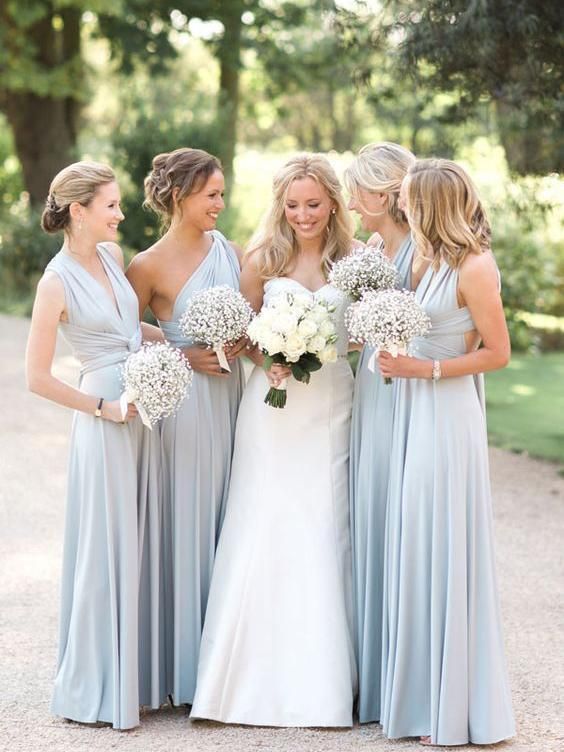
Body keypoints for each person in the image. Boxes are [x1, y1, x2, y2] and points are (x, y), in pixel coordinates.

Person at [190, 153, 358, 727]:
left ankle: (324, 686)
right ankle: (239, 685)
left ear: (332, 201)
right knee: (265, 518)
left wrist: (326, 348)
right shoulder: (261, 258)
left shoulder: (356, 261)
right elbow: (242, 332)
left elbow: (361, 335)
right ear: (279, 206)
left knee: (322, 523)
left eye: (313, 204)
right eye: (292, 205)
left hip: (331, 406)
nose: (303, 215)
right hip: (273, 407)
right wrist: (273, 360)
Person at [377, 158, 516, 745]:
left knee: (442, 535)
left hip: (447, 409)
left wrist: (422, 367)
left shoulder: (475, 266)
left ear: (430, 202)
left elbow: (498, 353)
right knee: (417, 536)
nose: (400, 205)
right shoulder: (430, 258)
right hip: (417, 406)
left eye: (407, 197)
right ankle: (421, 696)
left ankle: (455, 701)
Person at [25, 161, 160, 729]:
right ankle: (94, 689)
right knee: (105, 549)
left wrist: (188, 342)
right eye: (111, 205)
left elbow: (133, 329)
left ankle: (134, 677)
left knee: (138, 540)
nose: (121, 214)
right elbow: (37, 378)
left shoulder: (110, 258)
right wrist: (104, 408)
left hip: (143, 407)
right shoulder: (55, 281)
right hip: (105, 415)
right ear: (78, 211)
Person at [126, 147, 245, 708]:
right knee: (189, 518)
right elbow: (121, 330)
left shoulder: (231, 251)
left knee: (232, 515)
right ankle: (181, 667)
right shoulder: (145, 265)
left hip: (232, 398)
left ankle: (225, 664)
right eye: (212, 194)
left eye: (222, 193)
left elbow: (253, 318)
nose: (221, 204)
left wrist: (240, 341)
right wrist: (179, 348)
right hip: (184, 406)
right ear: (179, 196)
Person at [343, 141, 416, 724]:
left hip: (403, 393)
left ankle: (404, 673)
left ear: (387, 194)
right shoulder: (372, 249)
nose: (351, 201)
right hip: (371, 390)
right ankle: (373, 670)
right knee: (368, 512)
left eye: (359, 191)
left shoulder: (418, 254)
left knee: (399, 516)